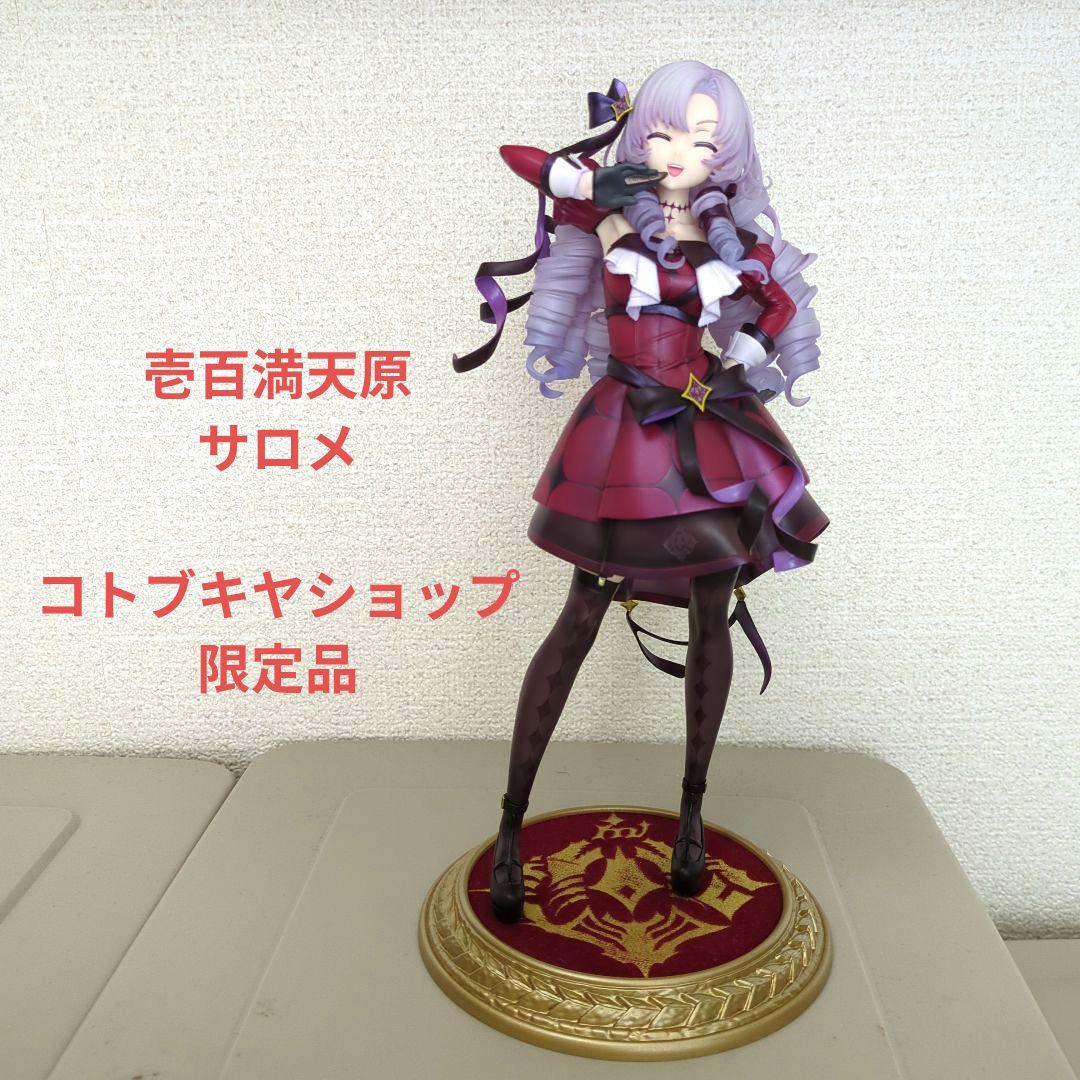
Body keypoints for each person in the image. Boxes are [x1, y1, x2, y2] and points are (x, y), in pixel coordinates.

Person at [452, 61, 829, 923]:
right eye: (662, 131)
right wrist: (596, 181)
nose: (679, 151)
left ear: (728, 153)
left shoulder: (736, 241)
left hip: (705, 425)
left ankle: (691, 813)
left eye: (703, 139)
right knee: (581, 613)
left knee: (711, 610)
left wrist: (745, 351)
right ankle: (510, 824)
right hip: (626, 424)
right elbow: (523, 159)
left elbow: (774, 313)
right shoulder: (610, 210)